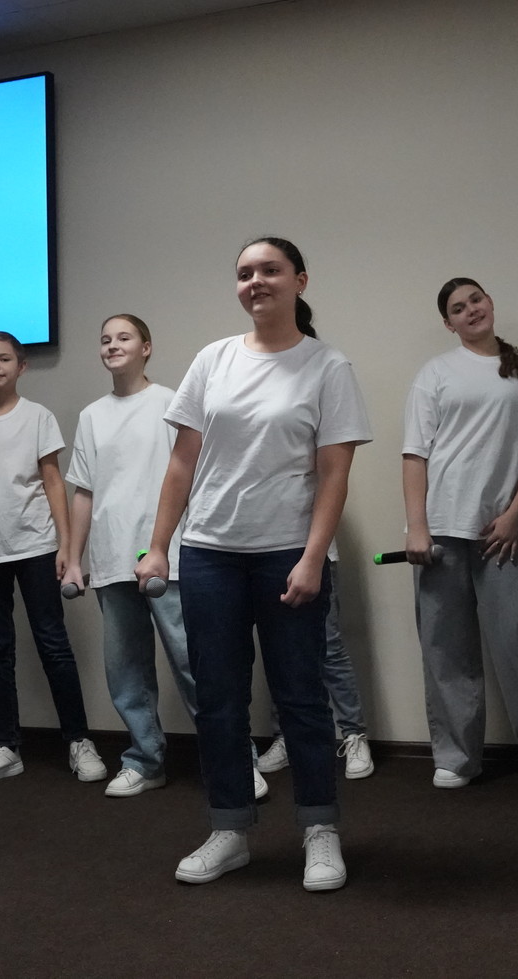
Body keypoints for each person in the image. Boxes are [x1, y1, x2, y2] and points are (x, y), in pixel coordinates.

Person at [138, 237, 372, 891]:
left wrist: (313, 557)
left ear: (300, 280)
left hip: (287, 555)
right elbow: (182, 461)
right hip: (210, 553)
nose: (256, 281)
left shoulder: (328, 366)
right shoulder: (213, 359)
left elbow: (334, 474)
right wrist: (158, 545)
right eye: (244, 273)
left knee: (301, 697)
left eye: (270, 270)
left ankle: (319, 830)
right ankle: (230, 829)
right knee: (218, 700)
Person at [63, 314, 235, 798]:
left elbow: (192, 477)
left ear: (146, 347)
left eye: (124, 337)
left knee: (194, 663)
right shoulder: (92, 416)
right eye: (105, 339)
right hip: (111, 559)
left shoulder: (170, 404)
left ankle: (233, 760)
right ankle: (146, 760)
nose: (112, 345)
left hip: (169, 558)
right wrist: (73, 558)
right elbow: (84, 492)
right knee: (126, 672)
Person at [400, 276, 518, 788]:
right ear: (449, 324)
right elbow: (415, 454)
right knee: (446, 648)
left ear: (490, 303)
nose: (470, 310)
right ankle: (456, 757)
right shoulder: (435, 373)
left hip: (502, 532)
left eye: (475, 300)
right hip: (440, 533)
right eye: (458, 308)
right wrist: (417, 527)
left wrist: (515, 515)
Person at [0, 331, 106, 786]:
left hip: (36, 546)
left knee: (53, 644)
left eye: (3, 359)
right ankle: (4, 746)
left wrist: (66, 547)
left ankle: (79, 741)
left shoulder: (38, 417)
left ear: (21, 366)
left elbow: (53, 480)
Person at [255, 563, 375, 781]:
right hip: (266, 560)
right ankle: (286, 737)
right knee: (279, 649)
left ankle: (354, 734)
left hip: (316, 560)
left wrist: (314, 562)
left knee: (329, 647)